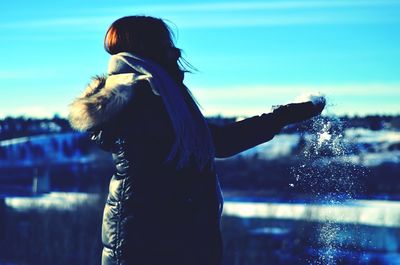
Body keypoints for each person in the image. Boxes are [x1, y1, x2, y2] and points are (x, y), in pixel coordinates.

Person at [67, 15, 325, 265]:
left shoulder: (153, 95)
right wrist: (284, 115)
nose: (176, 53)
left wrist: (282, 116)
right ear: (150, 50)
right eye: (167, 46)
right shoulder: (143, 99)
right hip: (151, 243)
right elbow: (219, 141)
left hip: (162, 236)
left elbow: (209, 141)